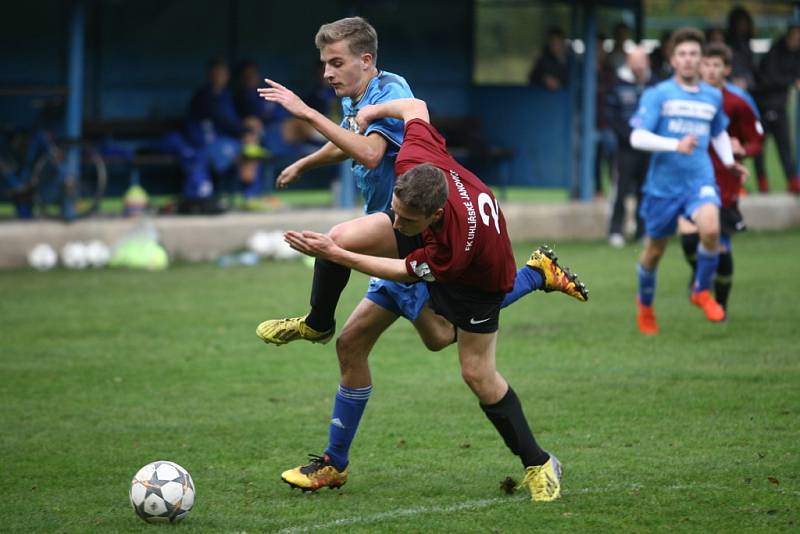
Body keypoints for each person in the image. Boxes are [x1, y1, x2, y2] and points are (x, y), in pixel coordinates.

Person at [279, 96, 569, 502]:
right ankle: (333, 457)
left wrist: (337, 256)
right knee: (350, 334)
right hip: (440, 246)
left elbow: (403, 270)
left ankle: (539, 462)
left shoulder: (453, 245)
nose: (396, 223)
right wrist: (371, 113)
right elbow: (415, 106)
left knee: (475, 372)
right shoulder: (416, 157)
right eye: (395, 212)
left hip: (480, 280)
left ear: (433, 215)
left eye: (406, 220)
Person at [629, 27, 748, 335]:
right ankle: (645, 306)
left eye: (694, 53)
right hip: (663, 187)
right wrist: (674, 145)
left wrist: (728, 162)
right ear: (672, 59)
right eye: (682, 54)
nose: (689, 59)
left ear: (701, 58)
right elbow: (637, 136)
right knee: (654, 251)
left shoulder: (712, 96)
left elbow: (718, 131)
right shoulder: (659, 94)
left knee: (710, 229)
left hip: (699, 179)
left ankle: (700, 290)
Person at [678, 42, 763, 313]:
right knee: (690, 239)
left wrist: (743, 149)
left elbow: (757, 140)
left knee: (720, 244)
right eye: (707, 64)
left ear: (726, 69)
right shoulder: (685, 97)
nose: (711, 70)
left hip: (724, 183)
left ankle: (721, 304)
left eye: (718, 65)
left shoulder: (738, 102)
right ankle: (701, 275)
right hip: (691, 179)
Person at [605, 46, 655, 247]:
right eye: (634, 61)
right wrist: (631, 137)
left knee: (645, 190)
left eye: (641, 60)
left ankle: (643, 231)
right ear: (628, 62)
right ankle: (616, 231)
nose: (638, 65)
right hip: (626, 148)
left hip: (649, 148)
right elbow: (611, 116)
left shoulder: (654, 85)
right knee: (621, 189)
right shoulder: (617, 84)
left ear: (647, 62)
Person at [752, 25, 800, 193]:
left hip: (780, 107)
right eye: (795, 36)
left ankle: (793, 182)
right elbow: (769, 78)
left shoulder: (795, 55)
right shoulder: (774, 53)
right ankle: (762, 183)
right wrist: (791, 81)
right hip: (762, 106)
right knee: (759, 147)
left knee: (784, 146)